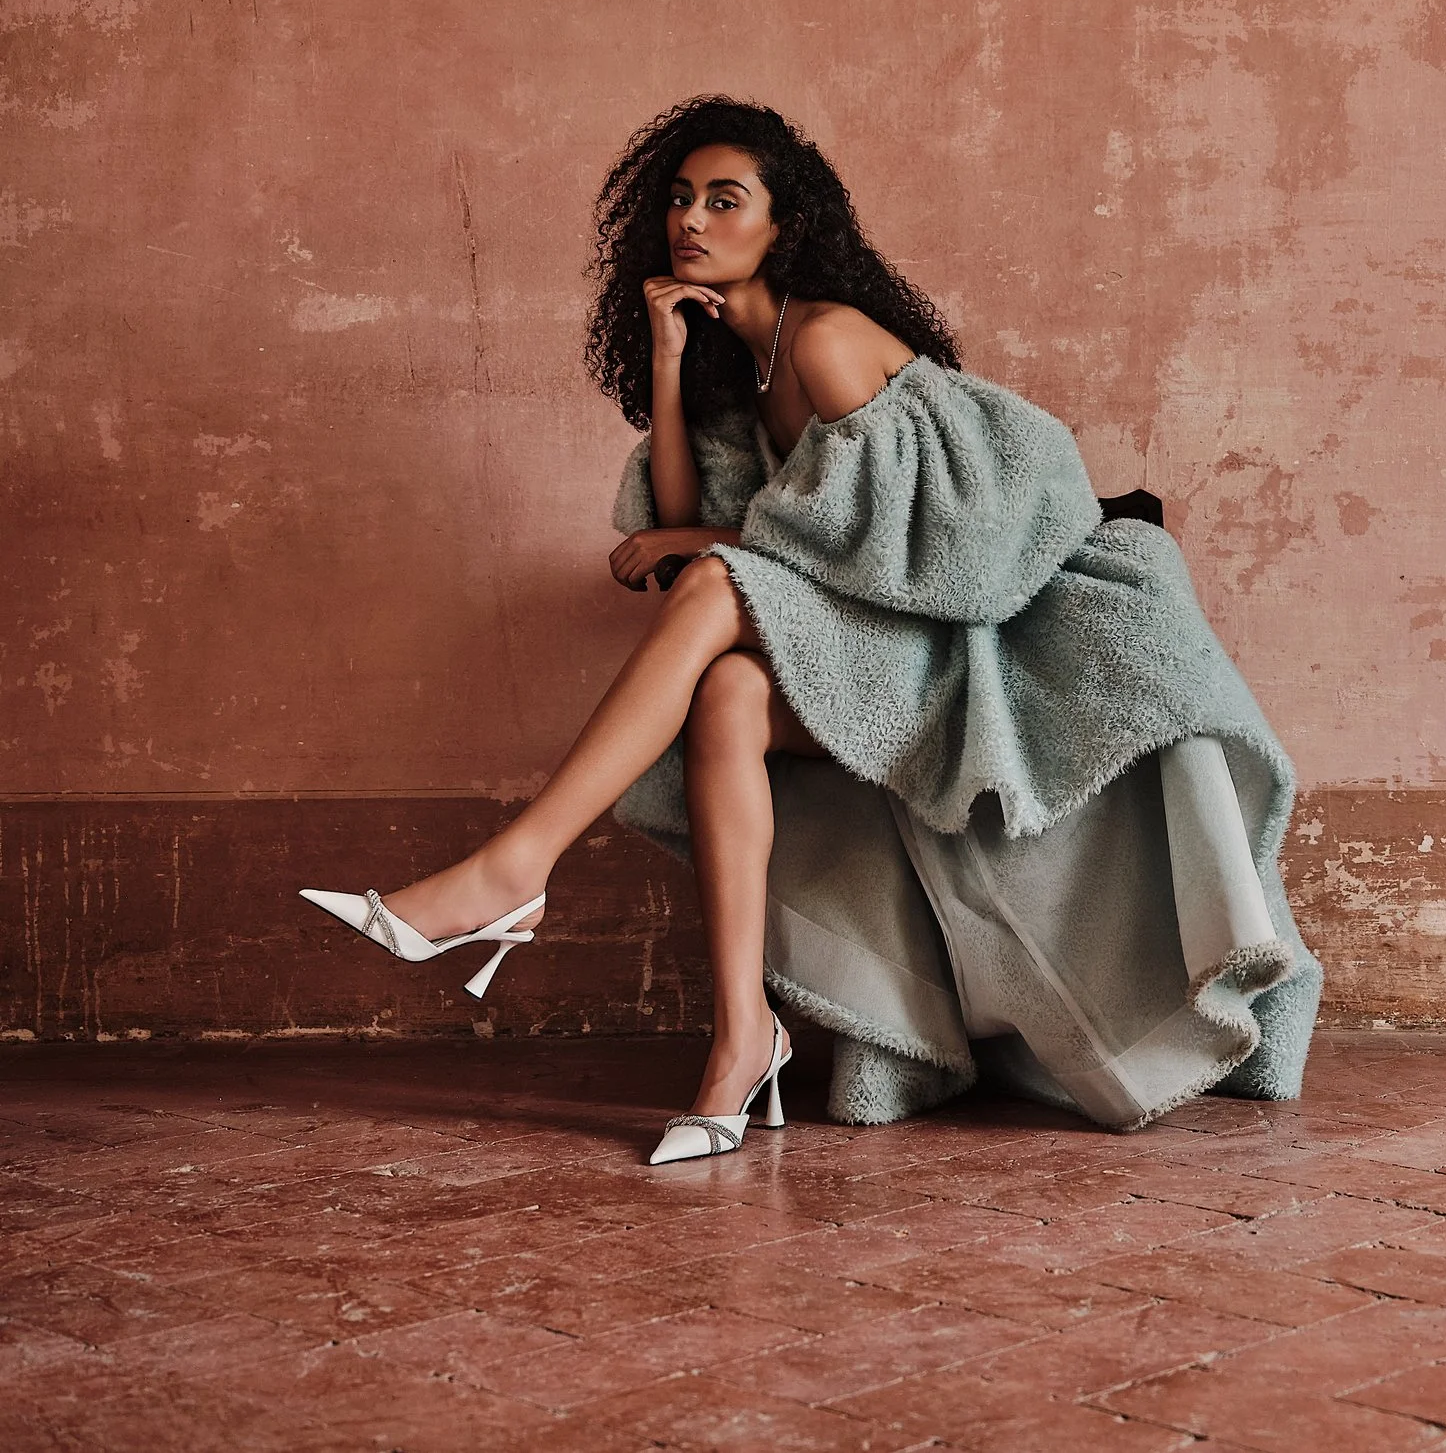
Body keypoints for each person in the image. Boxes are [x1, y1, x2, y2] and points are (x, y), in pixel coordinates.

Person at [302, 98, 1318, 1164]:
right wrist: (663, 355)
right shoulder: (743, 371)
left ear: (783, 228)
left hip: (971, 637)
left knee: (718, 591)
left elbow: (899, 549)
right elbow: (684, 526)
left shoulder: (826, 340)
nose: (691, 218)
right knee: (728, 692)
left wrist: (703, 539)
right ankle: (744, 1039)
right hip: (881, 636)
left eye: (725, 200)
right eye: (680, 200)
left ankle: (513, 870)